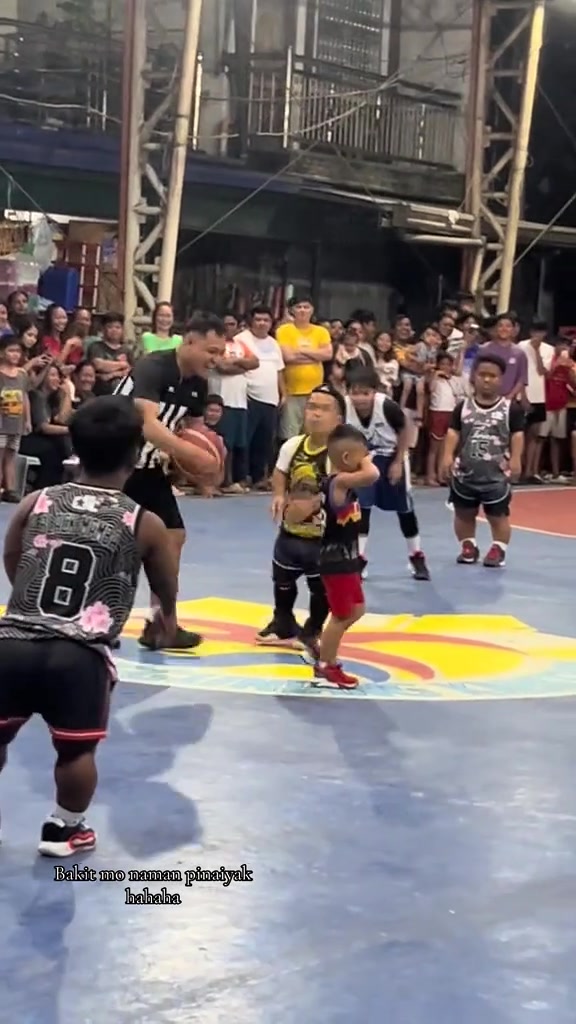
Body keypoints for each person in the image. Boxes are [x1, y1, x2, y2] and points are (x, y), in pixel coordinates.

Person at [0, 396, 180, 856]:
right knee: (75, 752)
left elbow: (12, 553)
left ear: (75, 449)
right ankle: (65, 828)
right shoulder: (144, 521)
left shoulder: (38, 500)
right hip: (79, 655)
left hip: (13, 642)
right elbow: (165, 582)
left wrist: (28, 600)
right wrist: (167, 616)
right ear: (135, 454)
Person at [114, 313, 226, 648]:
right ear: (189, 341)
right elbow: (148, 425)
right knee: (110, 545)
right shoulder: (154, 366)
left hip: (148, 467)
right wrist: (194, 455)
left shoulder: (199, 383)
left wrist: (205, 467)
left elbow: (193, 430)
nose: (216, 359)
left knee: (173, 538)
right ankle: (89, 618)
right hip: (113, 463)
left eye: (221, 353)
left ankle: (162, 624)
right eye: (211, 351)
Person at [282, 424, 378, 689]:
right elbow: (373, 474)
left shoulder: (339, 483)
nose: (365, 460)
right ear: (347, 458)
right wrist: (367, 460)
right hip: (336, 563)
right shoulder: (339, 482)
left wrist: (361, 455)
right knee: (341, 615)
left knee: (356, 610)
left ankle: (327, 658)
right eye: (361, 455)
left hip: (347, 560)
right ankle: (326, 666)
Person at [257, 384, 345, 656]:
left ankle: (312, 630)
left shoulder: (339, 453)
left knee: (320, 588)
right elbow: (280, 472)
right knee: (282, 578)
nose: (315, 414)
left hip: (323, 536)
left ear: (338, 419)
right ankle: (283, 621)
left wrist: (313, 505)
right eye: (311, 407)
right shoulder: (293, 445)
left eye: (324, 409)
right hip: (291, 531)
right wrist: (278, 495)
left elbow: (341, 489)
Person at [345, 367, 431, 580]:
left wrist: (398, 461)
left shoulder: (386, 406)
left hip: (391, 455)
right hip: (364, 458)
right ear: (348, 392)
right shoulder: (344, 406)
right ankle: (359, 558)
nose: (360, 398)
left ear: (374, 392)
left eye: (365, 393)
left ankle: (416, 555)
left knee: (404, 508)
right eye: (355, 392)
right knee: (361, 508)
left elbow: (405, 429)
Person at [441, 354, 524, 567]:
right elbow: (453, 432)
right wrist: (447, 455)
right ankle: (468, 545)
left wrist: (516, 459)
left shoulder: (510, 408)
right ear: (474, 376)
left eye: (492, 376)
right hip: (465, 473)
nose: (487, 379)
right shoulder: (463, 407)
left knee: (498, 515)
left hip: (496, 475)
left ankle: (498, 548)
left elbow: (517, 435)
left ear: (501, 379)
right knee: (463, 513)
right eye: (482, 374)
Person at [0, 335, 31, 501]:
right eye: (11, 350)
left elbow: (24, 397)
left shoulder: (22, 374)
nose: (15, 354)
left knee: (11, 454)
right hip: (2, 422)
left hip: (16, 421)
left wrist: (27, 420)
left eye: (18, 351)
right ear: (2, 353)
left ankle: (10, 488)